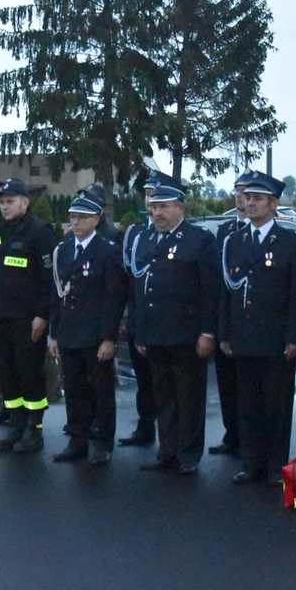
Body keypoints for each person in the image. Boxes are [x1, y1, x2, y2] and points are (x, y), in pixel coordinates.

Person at [219, 173, 296, 486]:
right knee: (248, 406)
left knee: (276, 406)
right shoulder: (234, 241)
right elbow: (226, 292)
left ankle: (274, 466)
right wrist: (225, 333)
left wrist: (295, 337)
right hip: (243, 336)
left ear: (274, 204)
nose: (251, 203)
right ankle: (251, 463)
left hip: (275, 338)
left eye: (259, 199)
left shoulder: (290, 243)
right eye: (248, 198)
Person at [131, 183, 220, 475]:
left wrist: (208, 332)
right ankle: (166, 451)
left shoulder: (199, 240)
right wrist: (141, 332)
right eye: (155, 207)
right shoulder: (144, 240)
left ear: (181, 208)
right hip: (156, 333)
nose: (158, 213)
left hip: (187, 334)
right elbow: (142, 290)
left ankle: (189, 454)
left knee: (189, 397)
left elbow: (211, 290)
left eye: (165, 206)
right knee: (164, 396)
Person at [49, 194, 128, 465]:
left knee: (100, 391)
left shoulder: (108, 251)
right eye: (72, 217)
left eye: (82, 217)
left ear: (96, 219)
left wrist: (108, 338)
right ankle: (77, 439)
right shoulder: (64, 249)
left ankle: (102, 442)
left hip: (95, 335)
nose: (76, 222)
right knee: (74, 390)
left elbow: (113, 298)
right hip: (70, 332)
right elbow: (58, 294)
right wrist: (54, 333)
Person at [0, 178, 58, 453]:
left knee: (29, 373)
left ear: (25, 203)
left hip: (27, 317)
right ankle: (16, 424)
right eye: (2, 202)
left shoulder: (39, 231)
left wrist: (42, 315)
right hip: (0, 315)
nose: (4, 206)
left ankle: (35, 430)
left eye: (10, 201)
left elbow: (50, 278)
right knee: (7, 372)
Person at [117, 171, 178, 448]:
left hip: (167, 322)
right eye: (148, 193)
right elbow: (128, 279)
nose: (151, 199)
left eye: (156, 193)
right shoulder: (135, 233)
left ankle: (171, 435)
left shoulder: (174, 233)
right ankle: (145, 425)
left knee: (167, 381)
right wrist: (126, 315)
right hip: (139, 318)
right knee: (143, 377)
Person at [208, 171, 253, 458]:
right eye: (237, 190)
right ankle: (232, 433)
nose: (240, 195)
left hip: (257, 324)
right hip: (229, 321)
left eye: (246, 191)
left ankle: (251, 439)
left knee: (251, 388)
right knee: (227, 384)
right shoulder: (224, 232)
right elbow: (219, 283)